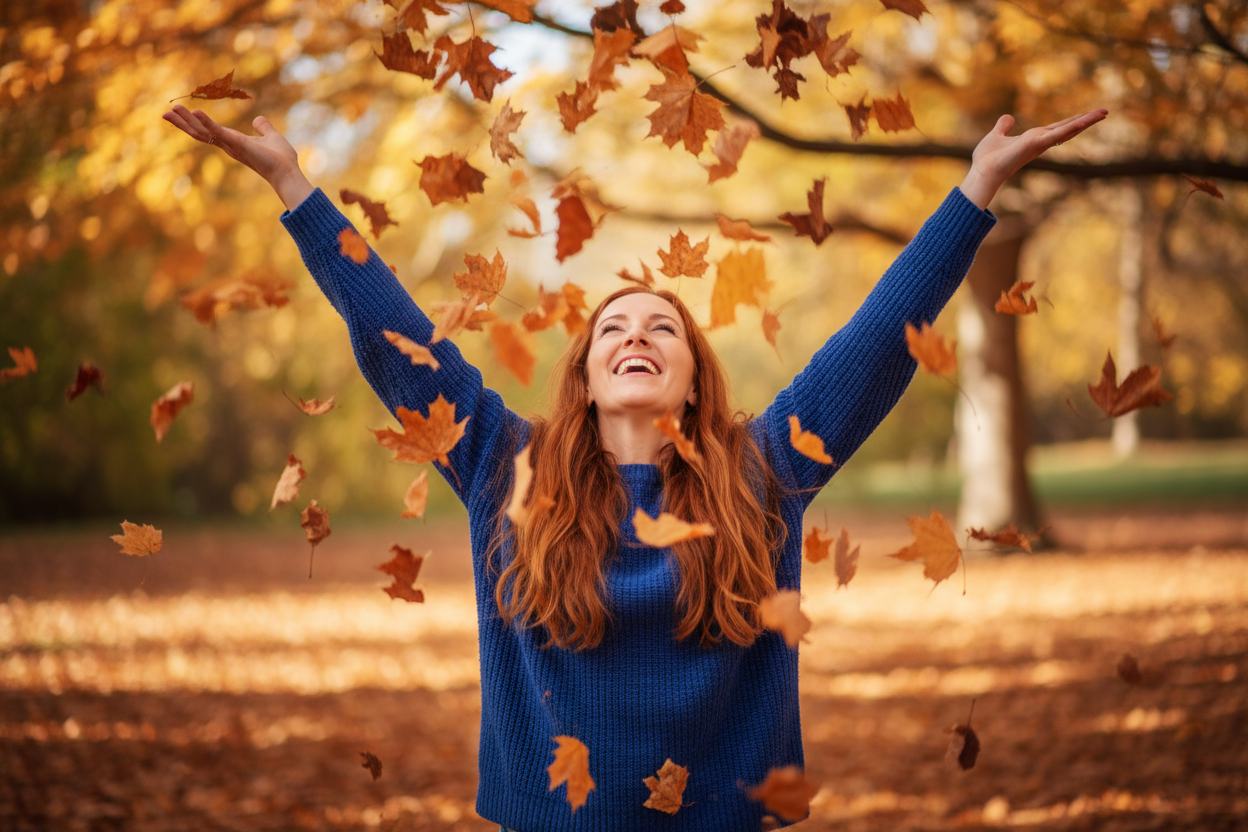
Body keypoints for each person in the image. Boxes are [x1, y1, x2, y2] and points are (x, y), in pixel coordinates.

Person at [163, 102, 1106, 831]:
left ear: (695, 382)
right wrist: (296, 185)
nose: (635, 334)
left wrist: (974, 192)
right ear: (584, 376)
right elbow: (396, 338)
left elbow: (872, 346)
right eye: (612, 327)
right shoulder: (505, 465)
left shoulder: (763, 470)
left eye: (663, 328)